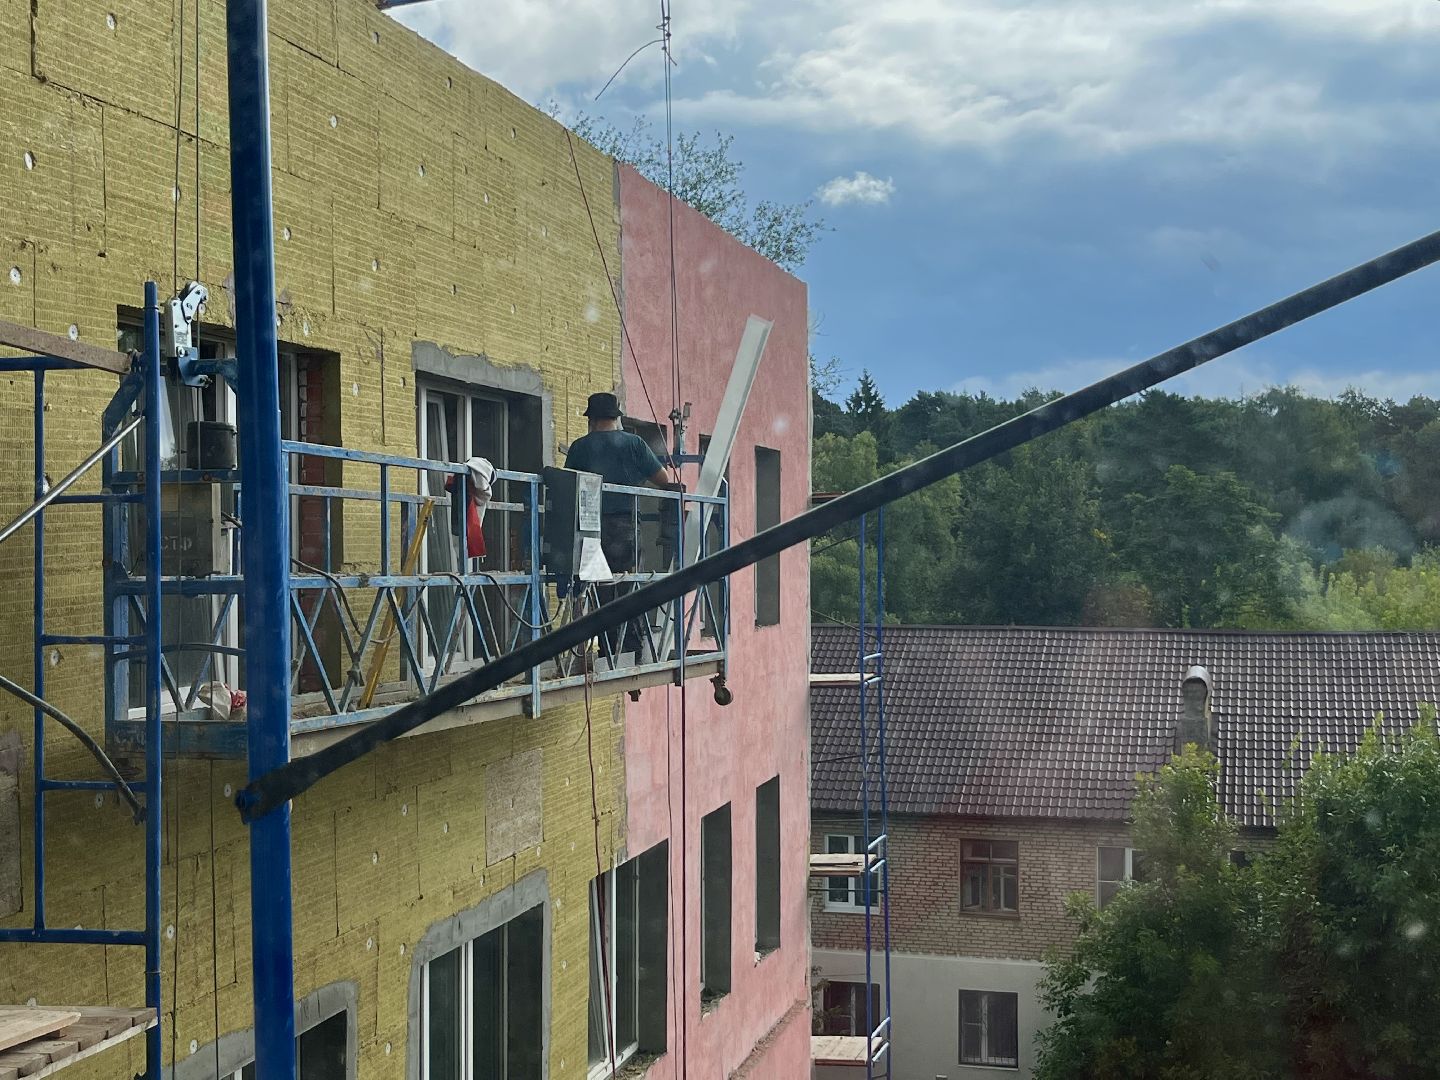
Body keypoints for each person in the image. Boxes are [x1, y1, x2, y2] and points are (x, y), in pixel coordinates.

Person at [563, 392, 677, 659]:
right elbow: (664, 480)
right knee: (628, 588)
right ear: (617, 417)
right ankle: (630, 649)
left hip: (590, 529)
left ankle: (607, 648)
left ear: (591, 419)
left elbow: (567, 485)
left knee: (600, 590)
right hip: (626, 527)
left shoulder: (579, 447)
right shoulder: (634, 444)